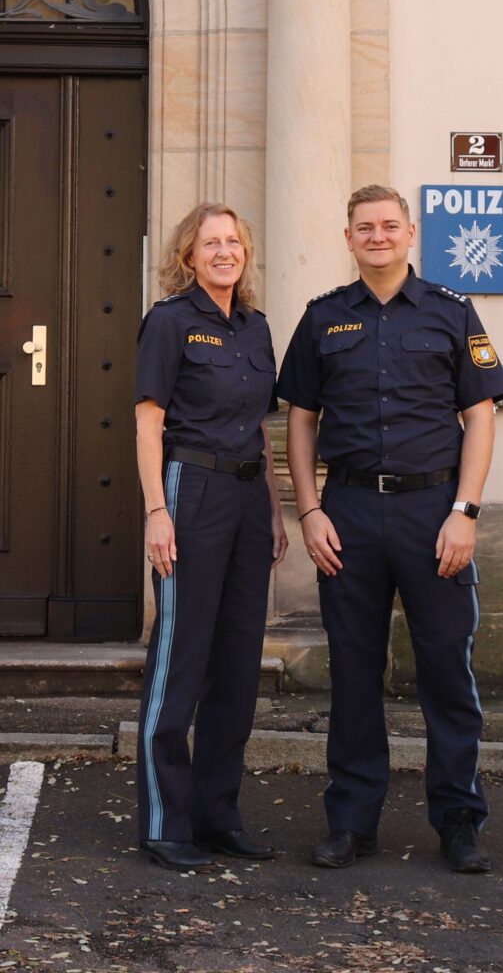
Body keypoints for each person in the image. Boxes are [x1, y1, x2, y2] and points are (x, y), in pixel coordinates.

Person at [276, 184, 503, 873]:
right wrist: (310, 509)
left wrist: (464, 513)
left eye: (388, 225)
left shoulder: (450, 312)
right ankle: (351, 823)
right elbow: (299, 418)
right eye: (363, 228)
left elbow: (483, 417)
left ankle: (460, 822)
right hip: (347, 514)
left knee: (446, 670)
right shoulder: (323, 319)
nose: (376, 236)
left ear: (410, 233)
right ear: (348, 239)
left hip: (432, 512)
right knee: (352, 672)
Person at [135, 202, 288, 872]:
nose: (225, 251)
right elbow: (148, 421)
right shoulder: (170, 323)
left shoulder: (257, 329)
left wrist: (277, 509)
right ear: (189, 256)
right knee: (180, 656)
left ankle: (217, 815)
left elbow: (262, 428)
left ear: (245, 253)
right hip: (189, 492)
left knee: (236, 665)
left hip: (249, 499)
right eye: (211, 242)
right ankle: (166, 823)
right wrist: (153, 512)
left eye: (234, 241)